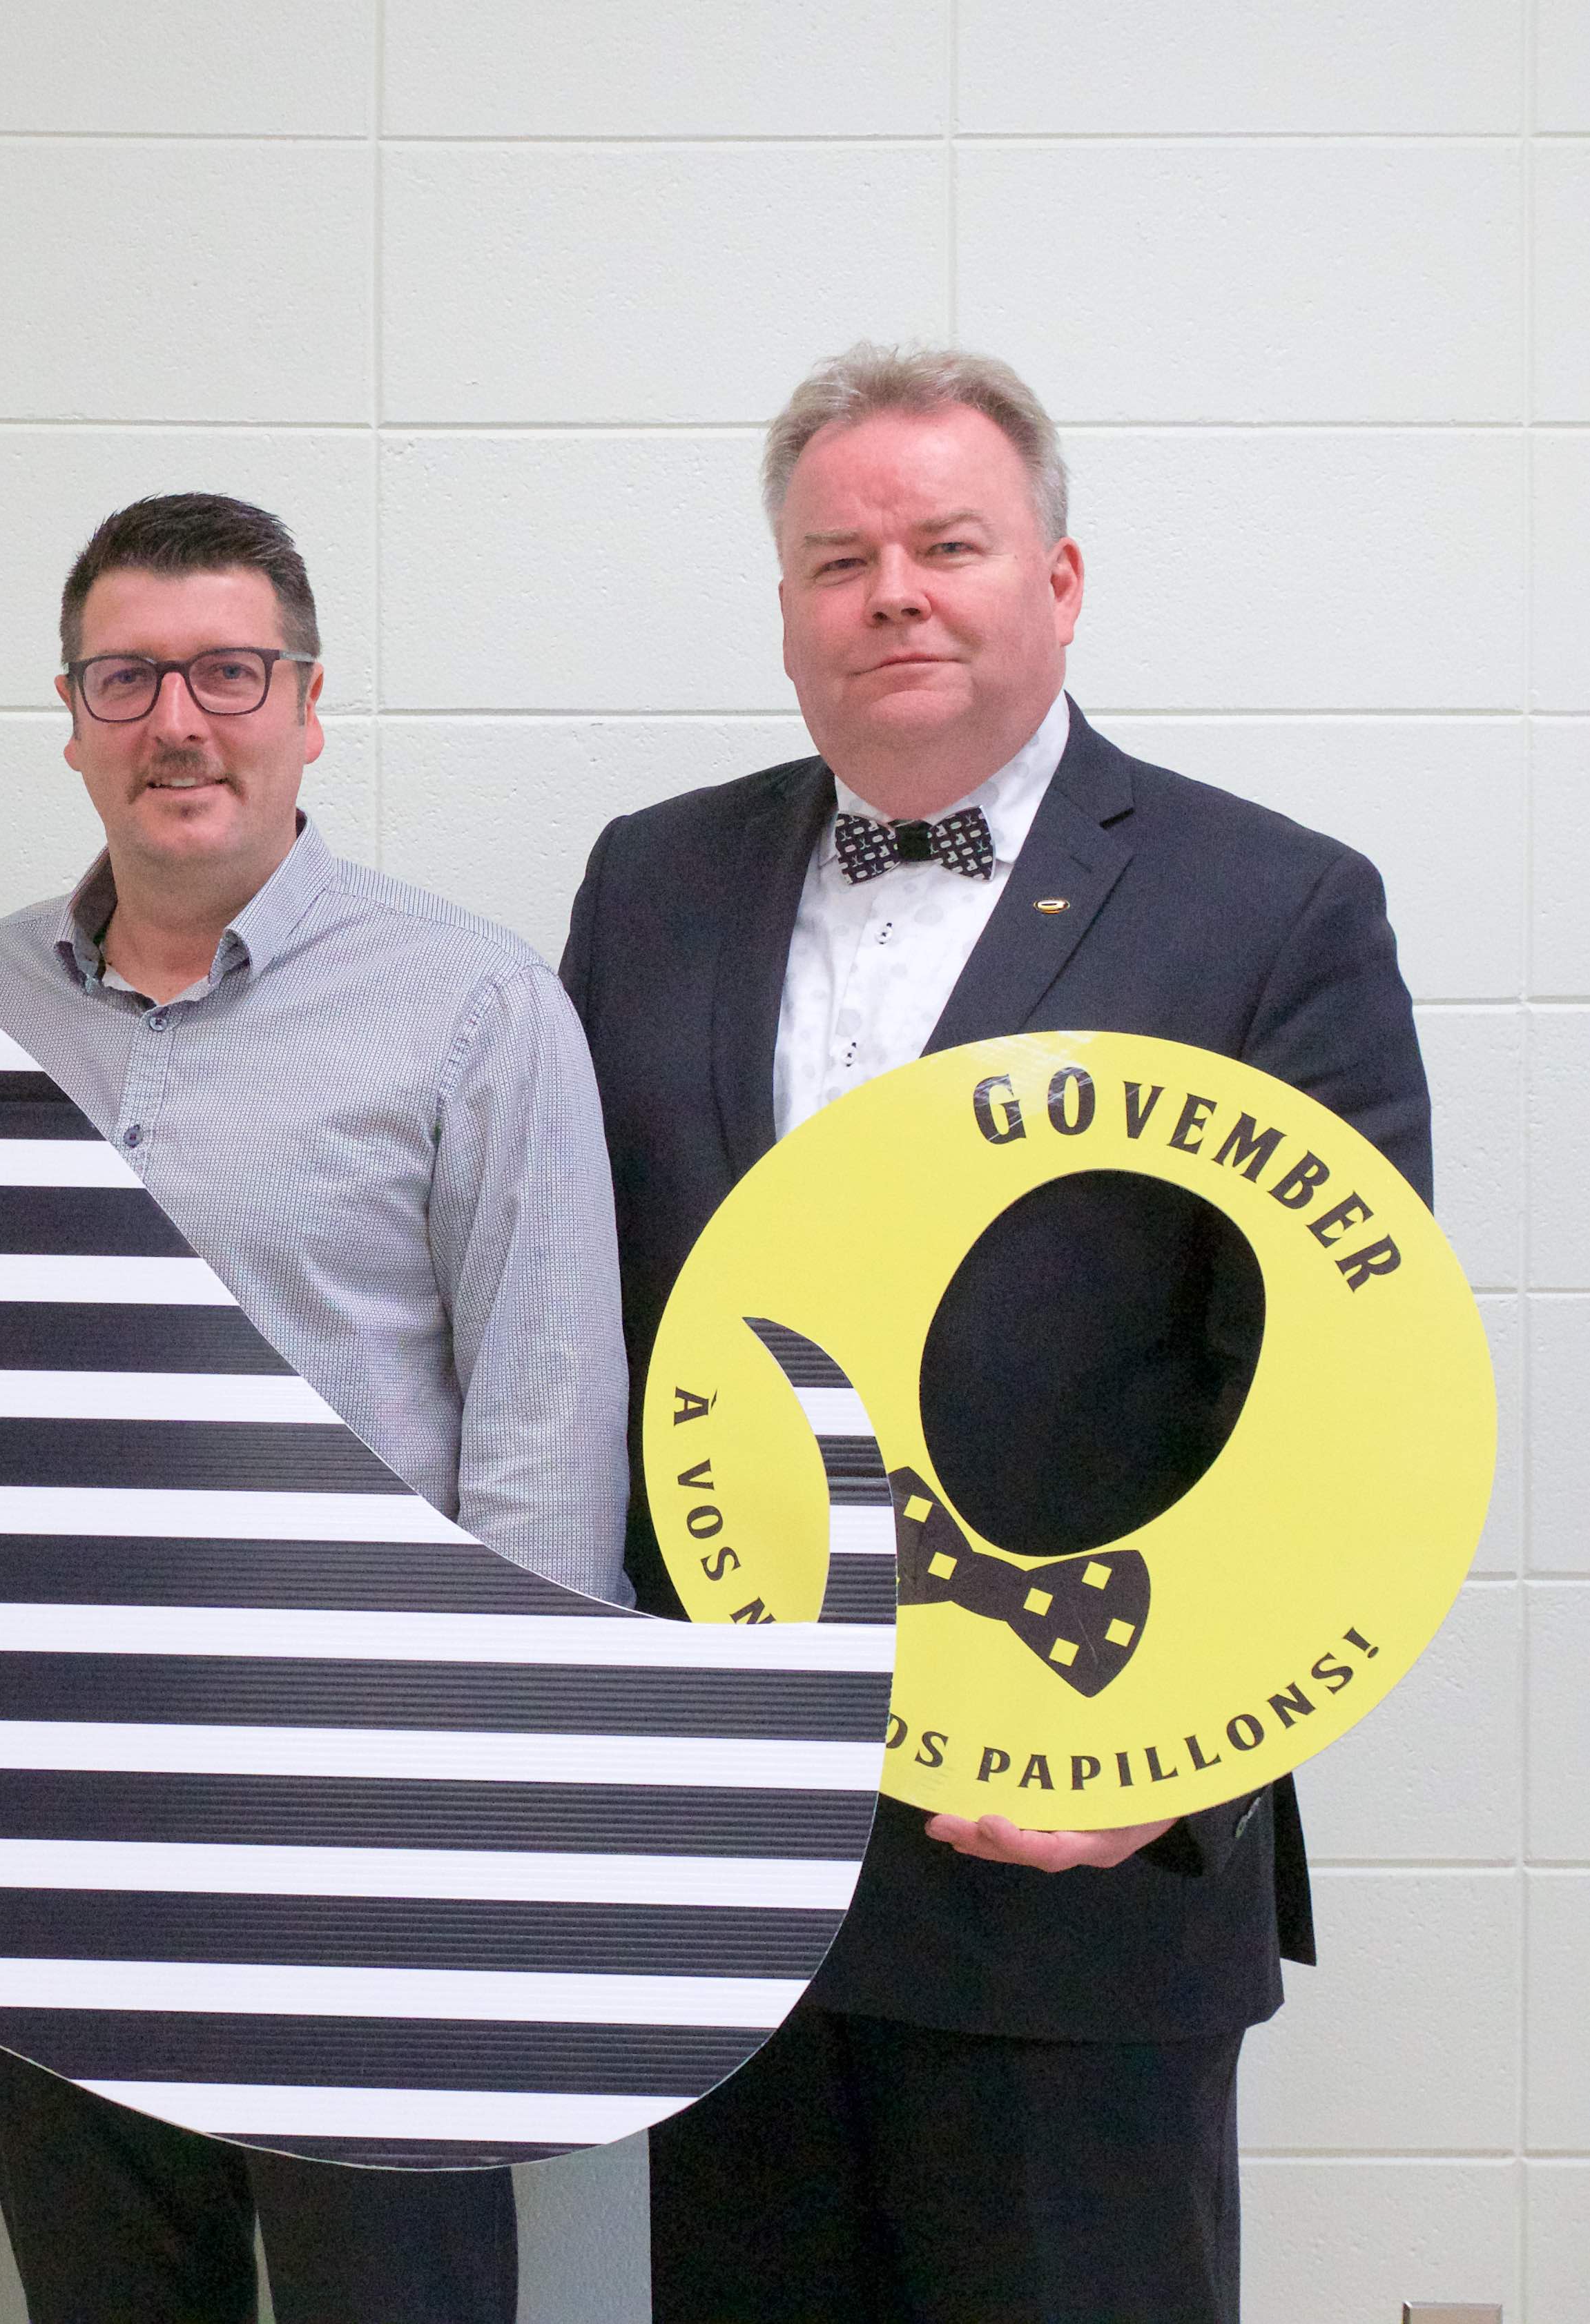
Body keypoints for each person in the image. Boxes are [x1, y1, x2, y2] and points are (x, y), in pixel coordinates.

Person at [560, 344, 1420, 2322]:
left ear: (1059, 578)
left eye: (946, 545)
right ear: (788, 607)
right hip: (735, 1874)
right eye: (837, 559)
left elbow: (1336, 1389)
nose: (893, 595)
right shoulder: (650, 877)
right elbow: (583, 1327)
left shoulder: (1270, 903)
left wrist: (1181, 1758)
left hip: (1070, 1862)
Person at [0, 493, 626, 2321]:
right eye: (127, 678)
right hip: (49, 1849)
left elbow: (544, 1442)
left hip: (366, 1845)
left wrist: (508, 1830)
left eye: (228, 673)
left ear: (308, 706)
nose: (178, 722)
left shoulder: (472, 1006)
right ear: (70, 718)